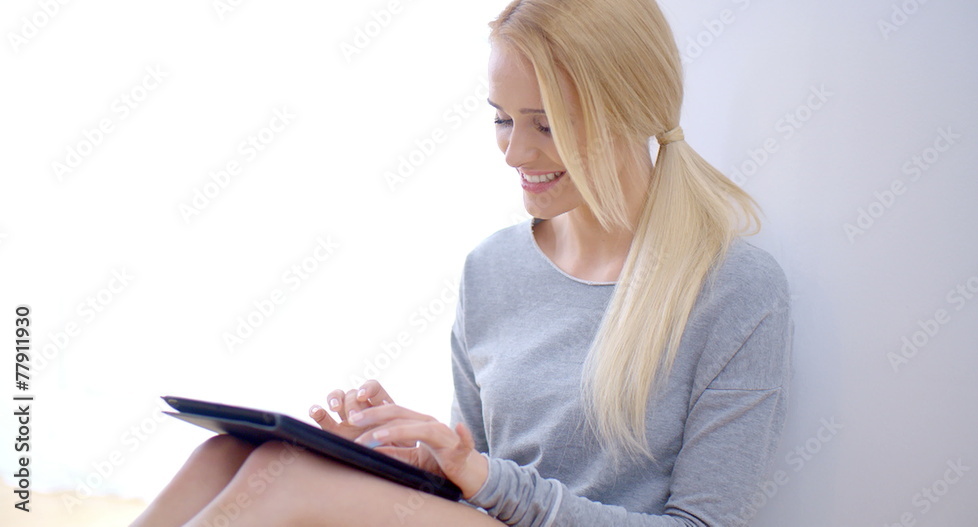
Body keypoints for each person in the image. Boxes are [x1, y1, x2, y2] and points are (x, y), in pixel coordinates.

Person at [132, 0, 792, 525]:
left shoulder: (733, 286)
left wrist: (485, 477)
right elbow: (476, 477)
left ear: (633, 112)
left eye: (546, 124)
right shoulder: (493, 268)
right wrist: (413, 454)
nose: (513, 152)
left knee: (285, 480)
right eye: (502, 119)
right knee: (228, 453)